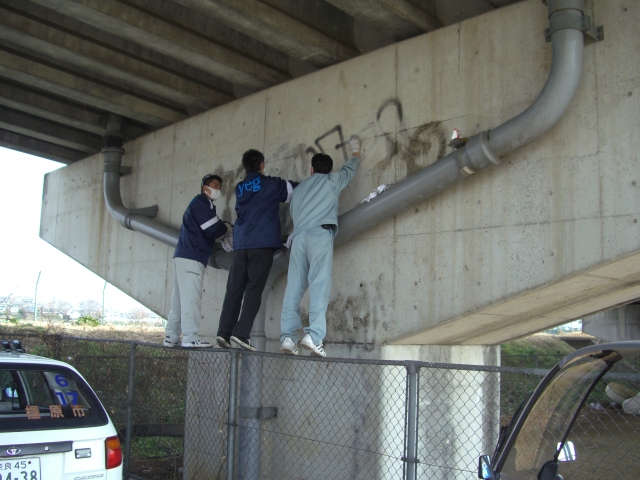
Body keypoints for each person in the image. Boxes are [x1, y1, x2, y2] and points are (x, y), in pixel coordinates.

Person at [280, 136, 361, 357]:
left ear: (311, 169)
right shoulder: (332, 181)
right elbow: (350, 171)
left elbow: (294, 214)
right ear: (328, 170)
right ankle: (314, 337)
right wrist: (355, 153)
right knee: (319, 285)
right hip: (319, 235)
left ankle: (287, 337)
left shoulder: (298, 190)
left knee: (294, 286)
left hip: (298, 238)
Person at [216, 149, 298, 351]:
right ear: (262, 165)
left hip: (241, 244)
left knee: (234, 290)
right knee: (254, 290)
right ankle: (241, 334)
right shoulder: (271, 184)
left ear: (246, 167)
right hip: (261, 244)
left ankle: (223, 333)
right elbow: (298, 190)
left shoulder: (240, 188)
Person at [163, 174, 229, 348]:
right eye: (214, 185)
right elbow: (213, 228)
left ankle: (171, 336)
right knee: (192, 297)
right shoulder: (201, 203)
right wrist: (226, 228)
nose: (218, 189)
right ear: (204, 188)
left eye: (219, 186)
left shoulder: (199, 204)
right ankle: (190, 337)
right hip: (192, 257)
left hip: (183, 255)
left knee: (178, 300)